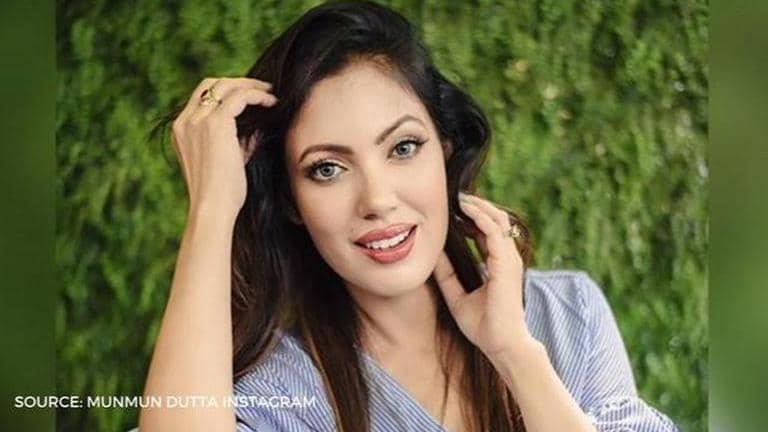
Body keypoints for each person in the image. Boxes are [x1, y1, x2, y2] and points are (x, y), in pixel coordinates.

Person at [138, 1, 679, 431]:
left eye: (402, 147)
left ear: (445, 148)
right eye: (327, 169)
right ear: (291, 202)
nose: (377, 199)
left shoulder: (565, 314)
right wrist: (213, 208)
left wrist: (515, 354)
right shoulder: (280, 390)